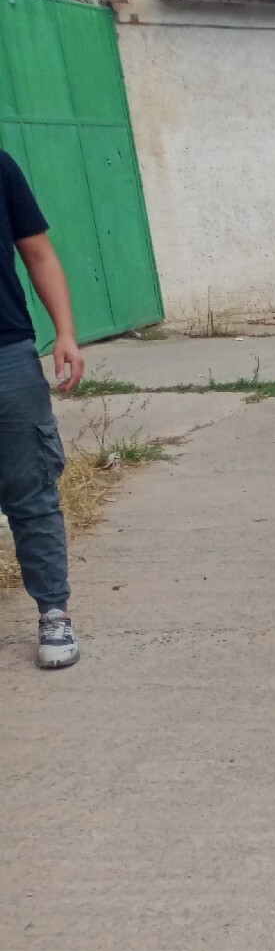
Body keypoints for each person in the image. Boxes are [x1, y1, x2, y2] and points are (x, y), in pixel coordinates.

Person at [1, 150, 85, 669]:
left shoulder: (0, 167)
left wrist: (66, 333)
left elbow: (38, 253)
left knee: (30, 491)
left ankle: (54, 612)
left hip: (4, 353)